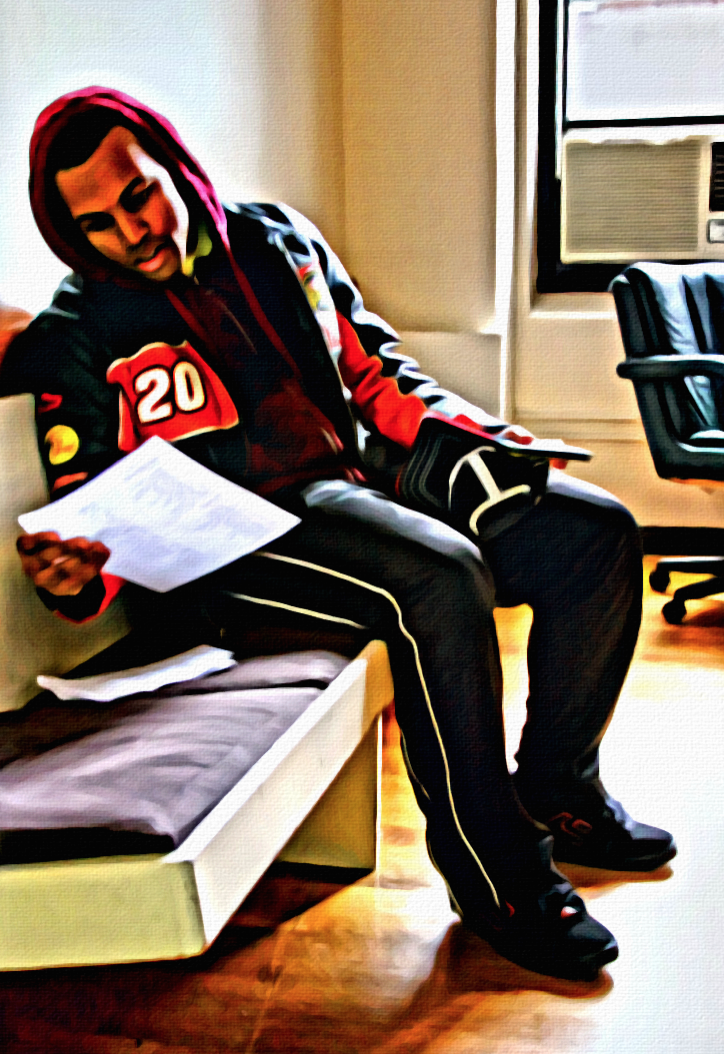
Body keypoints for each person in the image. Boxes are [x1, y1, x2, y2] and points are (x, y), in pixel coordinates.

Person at [3, 87, 676, 982]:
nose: (131, 232)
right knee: (440, 578)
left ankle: (561, 788)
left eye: (140, 196)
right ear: (69, 233)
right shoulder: (78, 332)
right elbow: (88, 510)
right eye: (97, 224)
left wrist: (481, 440)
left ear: (175, 167)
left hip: (355, 484)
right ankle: (498, 879)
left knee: (596, 534)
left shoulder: (278, 239)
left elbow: (373, 368)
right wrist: (76, 573)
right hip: (228, 554)